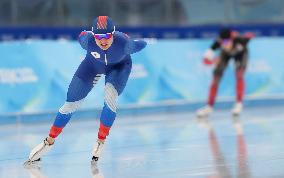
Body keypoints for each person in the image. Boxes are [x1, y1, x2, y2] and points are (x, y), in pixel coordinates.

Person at [24, 16, 147, 166]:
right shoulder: (86, 41)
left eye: (107, 36)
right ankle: (48, 142)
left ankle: (101, 141)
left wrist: (133, 40)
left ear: (113, 34)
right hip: (92, 66)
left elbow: (141, 44)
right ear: (93, 35)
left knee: (109, 97)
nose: (103, 41)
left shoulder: (125, 44)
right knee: (70, 104)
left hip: (119, 68)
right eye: (99, 36)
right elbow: (81, 34)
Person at [196, 28, 254, 117]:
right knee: (216, 78)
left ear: (232, 39)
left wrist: (249, 36)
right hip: (225, 55)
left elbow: (250, 36)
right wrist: (213, 61)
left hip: (241, 55)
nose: (225, 45)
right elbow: (205, 60)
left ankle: (238, 104)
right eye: (223, 43)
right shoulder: (218, 42)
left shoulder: (240, 39)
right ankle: (209, 106)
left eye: (227, 43)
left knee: (239, 75)